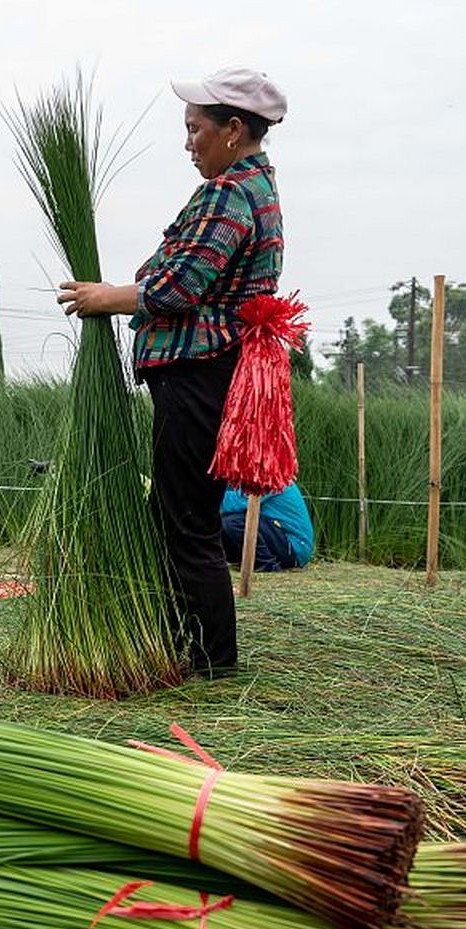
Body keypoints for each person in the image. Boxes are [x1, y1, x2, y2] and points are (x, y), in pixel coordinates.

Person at [56, 67, 287, 676]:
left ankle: (211, 662)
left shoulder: (229, 193)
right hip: (215, 371)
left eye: (195, 129)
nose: (188, 143)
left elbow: (180, 286)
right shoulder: (257, 187)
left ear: (233, 129)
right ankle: (191, 649)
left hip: (198, 372)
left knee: (186, 523)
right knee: (185, 517)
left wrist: (106, 298)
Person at [221, 481, 314, 571]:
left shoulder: (270, 479)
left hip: (294, 548)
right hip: (280, 538)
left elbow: (236, 502)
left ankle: (266, 565)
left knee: (232, 522)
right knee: (224, 521)